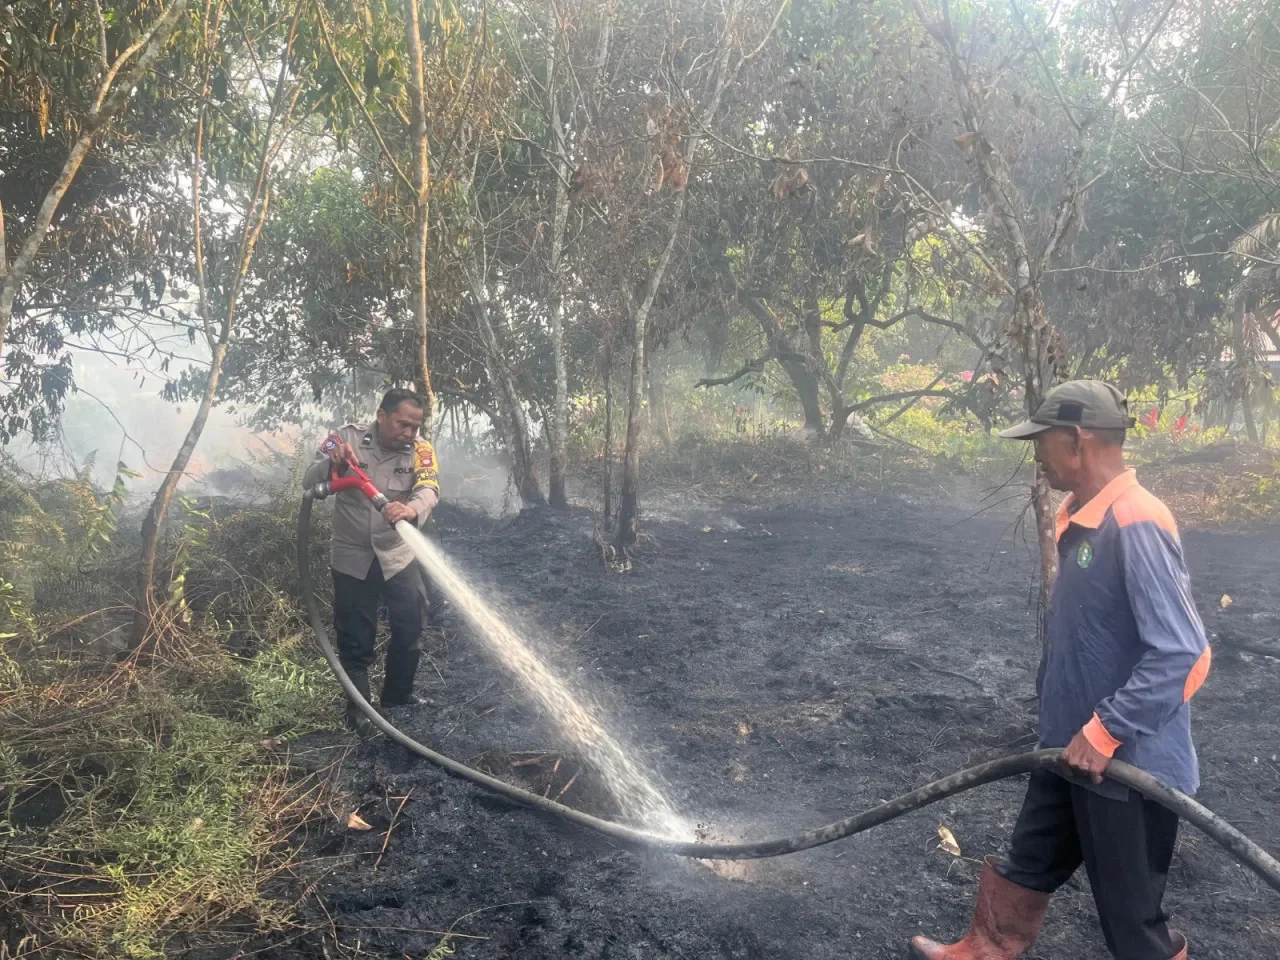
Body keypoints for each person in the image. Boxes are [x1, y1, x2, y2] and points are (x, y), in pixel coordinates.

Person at [909, 380, 1209, 960]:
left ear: (1077, 439)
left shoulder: (1136, 521)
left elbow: (1185, 654)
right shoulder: (1081, 516)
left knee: (1133, 924)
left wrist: (1105, 731)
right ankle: (984, 948)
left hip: (1124, 765)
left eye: (1041, 441)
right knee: (1028, 861)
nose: (1036, 455)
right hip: (1067, 745)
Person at [302, 388, 441, 734]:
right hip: (352, 555)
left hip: (397, 553)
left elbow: (429, 489)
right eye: (402, 424)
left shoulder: (422, 450)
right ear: (381, 415)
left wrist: (411, 509)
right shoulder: (344, 438)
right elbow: (309, 479)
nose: (409, 432)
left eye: (415, 426)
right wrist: (331, 463)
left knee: (411, 623)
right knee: (354, 634)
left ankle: (398, 697)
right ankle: (359, 710)